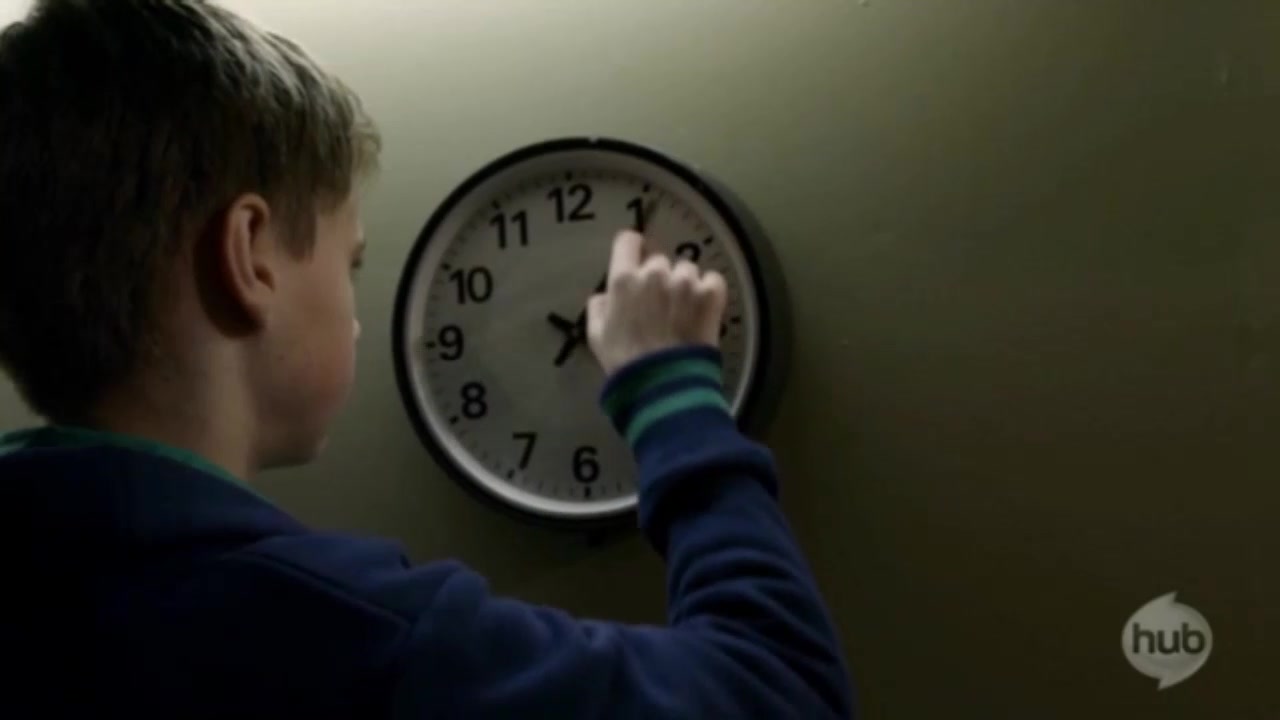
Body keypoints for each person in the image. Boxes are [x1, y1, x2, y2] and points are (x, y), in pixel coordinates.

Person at [0, 1, 854, 717]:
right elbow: (777, 692)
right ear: (251, 257)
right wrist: (671, 391)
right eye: (350, 263)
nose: (357, 319)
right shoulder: (351, 636)